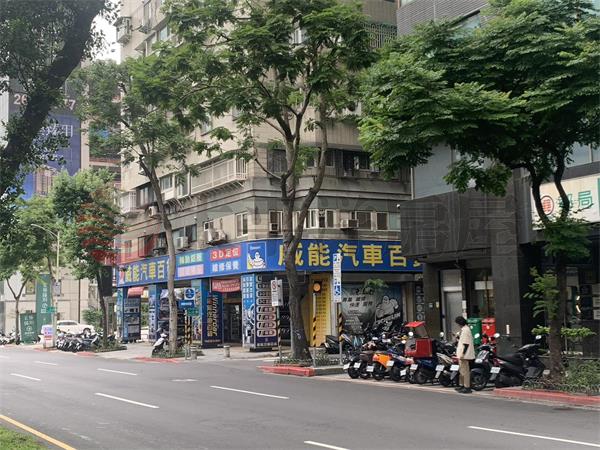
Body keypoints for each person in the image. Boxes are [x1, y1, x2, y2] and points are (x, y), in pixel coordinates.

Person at [455, 316, 475, 394]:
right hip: (462, 354)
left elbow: (466, 344)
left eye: (457, 323)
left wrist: (463, 354)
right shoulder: (464, 329)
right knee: (462, 371)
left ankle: (467, 387)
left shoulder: (466, 330)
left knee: (465, 371)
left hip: (464, 354)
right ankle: (462, 386)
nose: (457, 325)